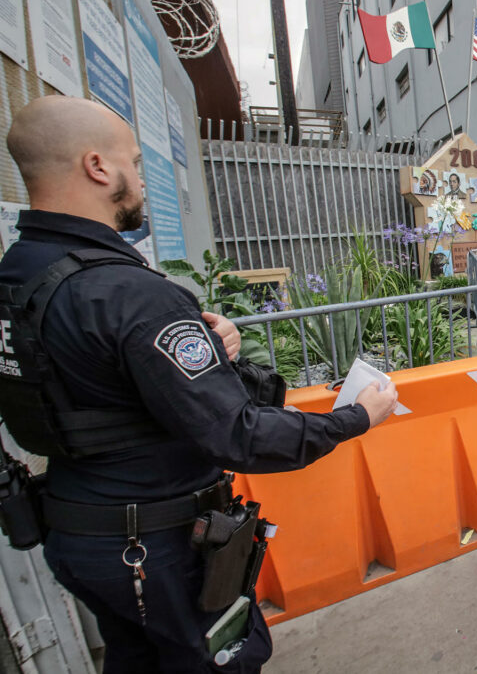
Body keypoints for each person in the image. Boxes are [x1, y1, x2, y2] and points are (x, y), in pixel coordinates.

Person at [0, 96, 399, 671]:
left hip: (78, 532)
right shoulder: (127, 293)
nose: (139, 178)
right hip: (155, 547)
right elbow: (239, 435)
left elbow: (98, 381)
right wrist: (355, 417)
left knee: (136, 657)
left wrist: (212, 346)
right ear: (97, 167)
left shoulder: (18, 277)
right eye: (134, 163)